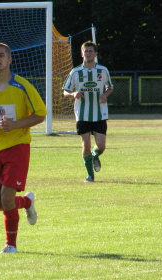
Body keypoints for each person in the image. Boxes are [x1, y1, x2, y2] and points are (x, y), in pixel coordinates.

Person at [0, 43, 47, 254]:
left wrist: (15, 125)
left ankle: (10, 245)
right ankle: (26, 202)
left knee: (6, 198)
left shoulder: (22, 86)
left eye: (1, 55)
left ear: (10, 59)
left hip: (17, 146)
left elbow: (40, 114)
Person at [62, 41, 114, 182]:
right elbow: (65, 90)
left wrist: (105, 95)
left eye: (91, 51)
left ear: (95, 54)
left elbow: (110, 87)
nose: (88, 53)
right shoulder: (75, 72)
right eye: (86, 51)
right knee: (86, 144)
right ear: (82, 54)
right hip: (82, 113)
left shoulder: (103, 70)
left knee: (101, 145)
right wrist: (73, 94)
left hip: (100, 113)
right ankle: (90, 175)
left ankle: (95, 156)